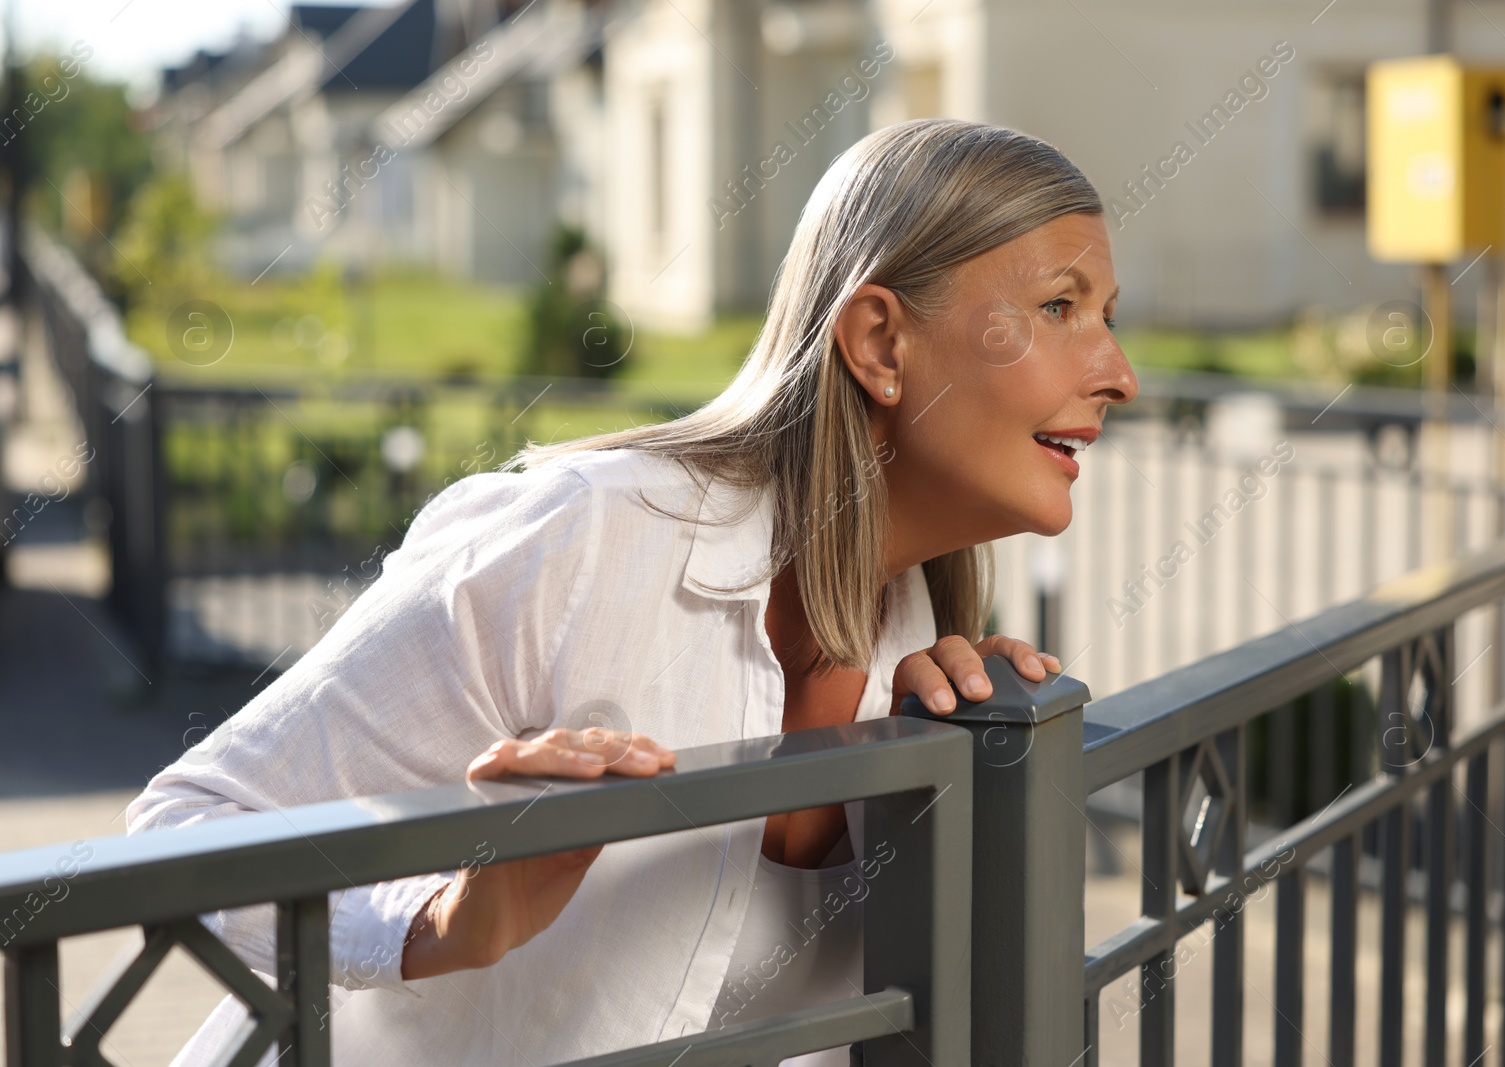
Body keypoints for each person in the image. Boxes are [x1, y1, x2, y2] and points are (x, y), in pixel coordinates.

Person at [129, 116, 1138, 1066]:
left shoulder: (924, 654)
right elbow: (186, 827)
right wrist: (440, 918)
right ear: (879, 342)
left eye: (1104, 317)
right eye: (1059, 306)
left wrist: (994, 766)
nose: (1119, 373)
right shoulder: (585, 536)